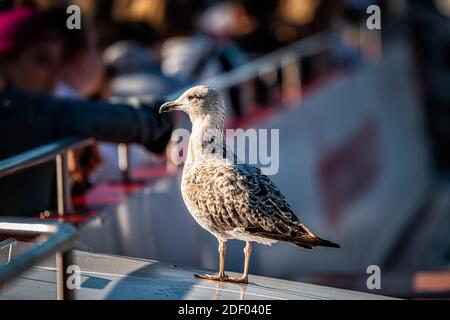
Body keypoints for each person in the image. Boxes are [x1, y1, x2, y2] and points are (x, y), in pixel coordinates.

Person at [0, 7, 174, 215]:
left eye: (58, 60)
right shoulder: (30, 110)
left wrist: (70, 176)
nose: (56, 73)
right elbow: (133, 120)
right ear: (5, 63)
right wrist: (163, 113)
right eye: (42, 59)